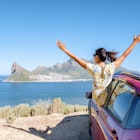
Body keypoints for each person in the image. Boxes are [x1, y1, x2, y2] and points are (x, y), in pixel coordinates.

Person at [56, 35, 140, 106]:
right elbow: (124, 55)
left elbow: (76, 59)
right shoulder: (111, 67)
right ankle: (91, 93)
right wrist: (135, 42)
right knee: (93, 92)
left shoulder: (93, 68)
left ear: (97, 56)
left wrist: (64, 49)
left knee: (88, 94)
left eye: (94, 55)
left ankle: (90, 94)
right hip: (108, 100)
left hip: (99, 102)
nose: (93, 57)